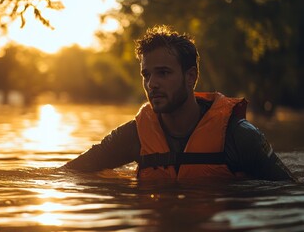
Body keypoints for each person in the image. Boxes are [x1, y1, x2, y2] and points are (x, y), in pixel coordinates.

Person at [62, 25, 294, 181]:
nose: (152, 84)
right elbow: (69, 173)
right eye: (146, 75)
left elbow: (289, 193)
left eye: (163, 73)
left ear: (190, 77)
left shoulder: (241, 137)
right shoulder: (134, 135)